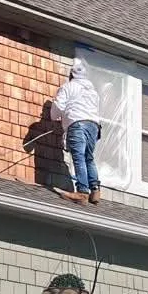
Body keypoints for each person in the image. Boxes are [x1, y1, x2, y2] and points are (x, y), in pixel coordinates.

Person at [50, 57, 103, 204]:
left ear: (71, 75)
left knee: (79, 156)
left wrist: (54, 117)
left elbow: (58, 108)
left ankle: (82, 192)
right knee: (89, 157)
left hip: (77, 124)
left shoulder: (68, 87)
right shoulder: (93, 92)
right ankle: (95, 190)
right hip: (94, 125)